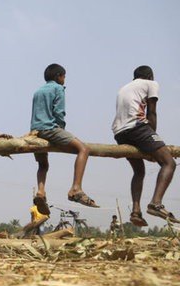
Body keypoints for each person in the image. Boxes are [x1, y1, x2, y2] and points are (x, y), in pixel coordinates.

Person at [112, 65, 177, 225]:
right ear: (149, 76)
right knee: (169, 163)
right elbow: (152, 112)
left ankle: (136, 211)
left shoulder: (124, 88)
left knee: (139, 171)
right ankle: (156, 203)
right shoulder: (151, 84)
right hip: (138, 128)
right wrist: (153, 137)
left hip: (119, 133)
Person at [30, 63, 99, 215]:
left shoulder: (38, 91)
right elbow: (59, 112)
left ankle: (41, 192)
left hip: (35, 132)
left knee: (43, 164)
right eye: (64, 76)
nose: (65, 79)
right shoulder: (58, 88)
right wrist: (60, 129)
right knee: (84, 149)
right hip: (50, 129)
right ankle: (76, 188)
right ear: (58, 77)